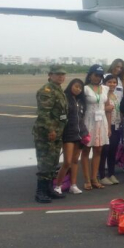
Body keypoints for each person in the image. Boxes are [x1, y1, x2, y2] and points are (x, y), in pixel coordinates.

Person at [33, 65, 68, 203]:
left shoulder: (58, 90)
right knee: (45, 163)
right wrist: (51, 130)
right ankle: (40, 192)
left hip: (57, 132)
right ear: (50, 75)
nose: (61, 76)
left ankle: (49, 189)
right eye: (58, 74)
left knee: (53, 162)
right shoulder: (46, 91)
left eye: (63, 74)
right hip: (46, 134)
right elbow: (44, 114)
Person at [55, 78, 88, 195]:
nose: (78, 89)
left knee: (75, 160)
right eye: (76, 86)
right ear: (70, 86)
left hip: (80, 133)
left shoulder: (81, 100)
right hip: (68, 133)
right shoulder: (65, 98)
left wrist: (85, 133)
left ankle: (73, 185)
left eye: (80, 87)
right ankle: (58, 185)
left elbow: (82, 118)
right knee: (67, 161)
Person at [82, 65, 111, 190]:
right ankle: (87, 179)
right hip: (88, 121)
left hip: (101, 122)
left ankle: (94, 178)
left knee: (98, 150)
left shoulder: (105, 88)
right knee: (86, 150)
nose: (98, 78)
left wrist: (109, 126)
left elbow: (108, 108)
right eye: (95, 75)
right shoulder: (85, 89)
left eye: (100, 75)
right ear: (90, 75)